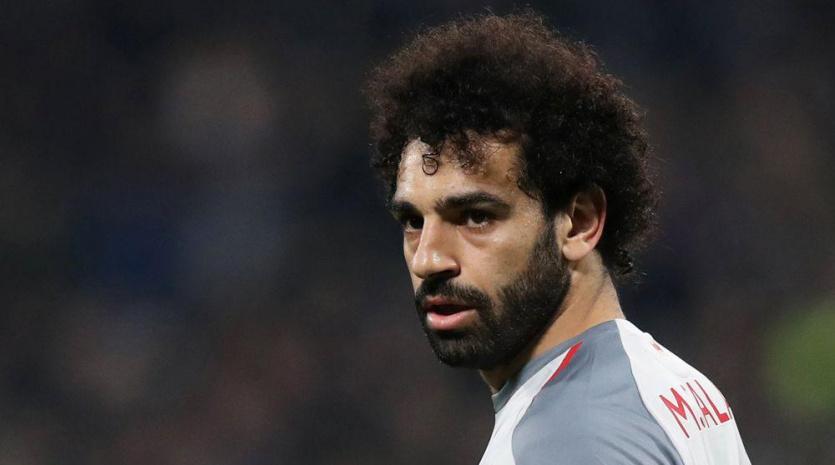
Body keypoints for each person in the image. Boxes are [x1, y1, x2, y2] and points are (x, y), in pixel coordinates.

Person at [365, 11, 751, 465]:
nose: (428, 259)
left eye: (475, 217)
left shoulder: (566, 442)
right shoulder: (675, 386)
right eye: (413, 221)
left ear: (579, 223)